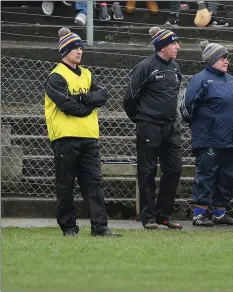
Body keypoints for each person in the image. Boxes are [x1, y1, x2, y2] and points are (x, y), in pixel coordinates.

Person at [44, 27, 121, 237]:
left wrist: (82, 99)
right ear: (64, 51)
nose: (79, 51)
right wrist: (89, 103)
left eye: (80, 47)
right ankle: (69, 228)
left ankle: (100, 227)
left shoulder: (87, 74)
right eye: (74, 48)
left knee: (94, 184)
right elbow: (69, 107)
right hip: (65, 138)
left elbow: (103, 96)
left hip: (89, 138)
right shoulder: (56, 77)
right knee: (65, 186)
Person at [123, 27, 183, 230]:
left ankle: (163, 214)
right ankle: (148, 217)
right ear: (163, 46)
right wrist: (141, 120)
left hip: (170, 127)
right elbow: (130, 98)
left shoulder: (175, 68)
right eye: (174, 43)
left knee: (174, 169)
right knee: (147, 171)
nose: (178, 47)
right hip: (149, 127)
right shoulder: (145, 67)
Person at [180, 40, 233, 227]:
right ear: (212, 59)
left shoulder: (231, 80)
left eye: (227, 58)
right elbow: (186, 108)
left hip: (230, 139)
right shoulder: (201, 80)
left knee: (226, 175)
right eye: (223, 58)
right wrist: (204, 127)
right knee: (206, 175)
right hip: (209, 138)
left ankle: (220, 212)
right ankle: (199, 213)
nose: (226, 61)